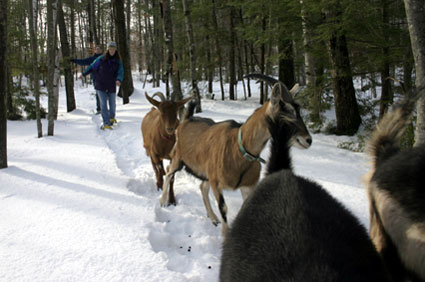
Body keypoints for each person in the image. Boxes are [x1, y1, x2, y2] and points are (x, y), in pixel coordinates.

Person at [80, 42, 123, 130]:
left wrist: (119, 79)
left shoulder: (118, 61)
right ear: (108, 50)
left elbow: (121, 71)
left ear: (115, 50)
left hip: (111, 85)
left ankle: (111, 118)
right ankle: (106, 123)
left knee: (112, 104)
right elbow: (91, 67)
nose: (111, 51)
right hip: (100, 85)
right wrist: (84, 74)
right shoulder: (101, 59)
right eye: (110, 49)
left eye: (113, 49)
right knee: (103, 105)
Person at [71, 45, 103, 113]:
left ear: (101, 51)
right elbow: (83, 61)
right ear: (95, 51)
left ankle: (104, 108)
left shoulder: (105, 58)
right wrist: (74, 60)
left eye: (99, 49)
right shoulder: (92, 59)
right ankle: (99, 109)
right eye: (96, 49)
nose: (98, 50)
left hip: (105, 79)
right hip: (96, 79)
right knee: (98, 93)